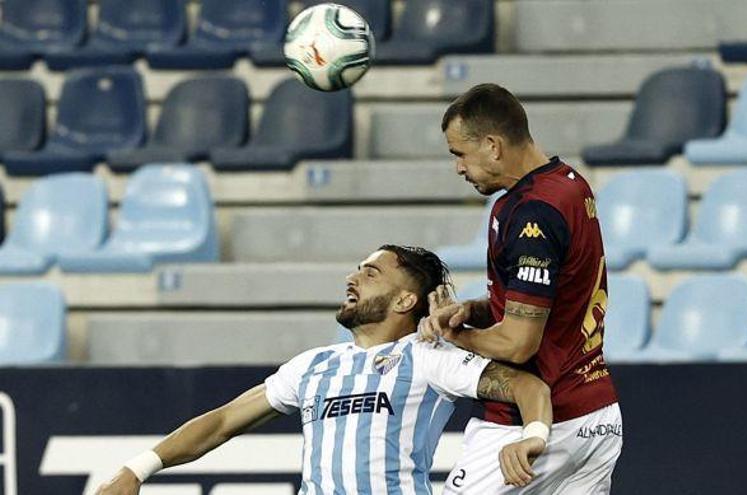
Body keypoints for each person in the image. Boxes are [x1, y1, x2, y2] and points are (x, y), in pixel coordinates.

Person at [95, 245, 553, 495]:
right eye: (356, 270)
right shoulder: (313, 366)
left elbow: (527, 386)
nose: (352, 279)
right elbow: (220, 422)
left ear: (404, 301)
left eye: (371, 273)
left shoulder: (429, 356)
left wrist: (534, 434)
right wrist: (137, 470)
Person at [421, 83, 622, 494]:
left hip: (536, 422)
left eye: (460, 153)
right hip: (597, 414)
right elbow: (555, 295)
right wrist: (474, 310)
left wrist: (453, 335)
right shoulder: (570, 184)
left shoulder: (531, 211)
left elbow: (518, 344)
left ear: (493, 145)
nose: (459, 168)